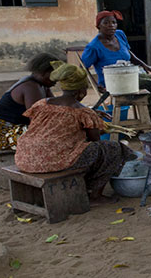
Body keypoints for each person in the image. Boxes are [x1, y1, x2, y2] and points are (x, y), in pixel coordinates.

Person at [14, 62, 134, 205]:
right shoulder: (82, 112)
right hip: (52, 162)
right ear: (81, 92)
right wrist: (92, 123)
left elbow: (48, 125)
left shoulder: (41, 104)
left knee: (81, 150)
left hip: (25, 158)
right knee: (112, 149)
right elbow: (95, 141)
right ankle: (95, 196)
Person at [80, 10, 151, 116]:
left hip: (130, 76)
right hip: (113, 82)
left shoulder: (119, 35)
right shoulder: (93, 47)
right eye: (106, 23)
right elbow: (82, 68)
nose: (111, 26)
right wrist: (96, 86)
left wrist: (144, 65)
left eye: (114, 22)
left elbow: (129, 53)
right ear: (98, 26)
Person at [0, 52, 57, 150]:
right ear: (43, 72)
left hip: (15, 129)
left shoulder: (43, 85)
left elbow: (56, 108)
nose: (57, 78)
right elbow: (37, 121)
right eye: (55, 73)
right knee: (51, 132)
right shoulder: (31, 88)